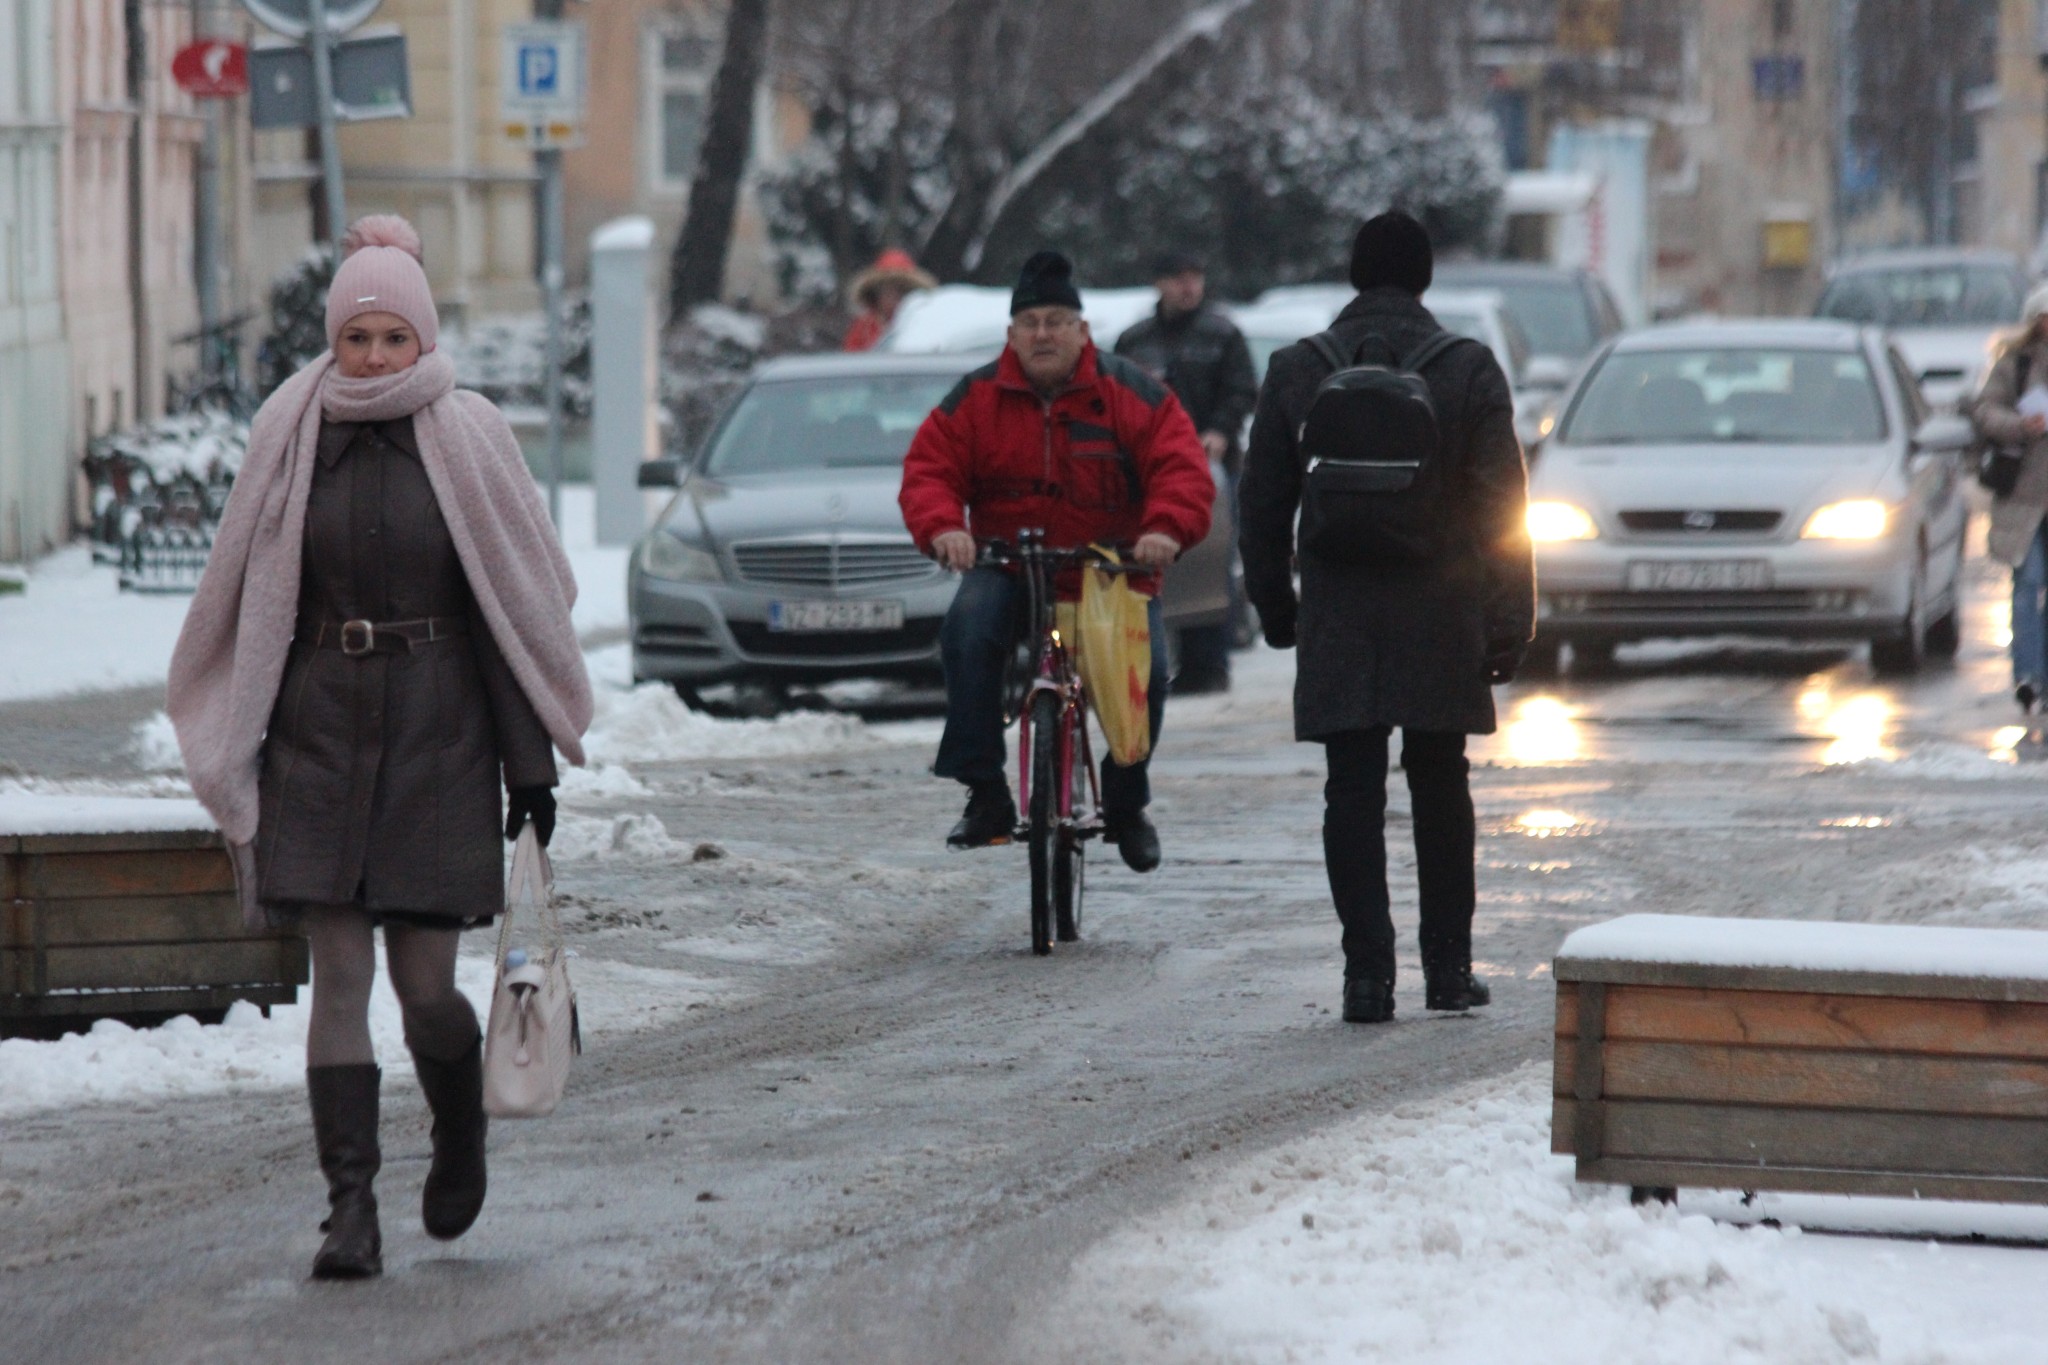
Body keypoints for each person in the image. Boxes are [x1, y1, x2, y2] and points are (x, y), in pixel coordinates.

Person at [167, 216, 593, 1280]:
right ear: (332, 341)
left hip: (439, 737)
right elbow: (253, 592)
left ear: (422, 339)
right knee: (340, 972)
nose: (370, 358)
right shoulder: (289, 430)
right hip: (316, 732)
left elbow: (505, 605)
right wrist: (242, 737)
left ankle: (458, 1129)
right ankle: (348, 1207)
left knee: (425, 987)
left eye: (390, 338)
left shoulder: (470, 435)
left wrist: (530, 771)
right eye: (354, 338)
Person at [1238, 211, 1533, 1024]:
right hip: (1442, 604)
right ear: (1426, 279)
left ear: (1354, 275)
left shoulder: (1299, 368)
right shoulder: (1468, 367)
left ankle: (1367, 977)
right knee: (1441, 783)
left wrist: (1276, 607)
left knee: (1351, 789)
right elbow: (1504, 505)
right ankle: (1448, 969)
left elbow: (1260, 504)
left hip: (1340, 607)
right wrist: (1512, 619)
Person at [899, 250, 1215, 872]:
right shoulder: (976, 399)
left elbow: (1182, 470)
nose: (1043, 334)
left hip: (1109, 573)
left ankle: (1126, 801)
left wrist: (1163, 529)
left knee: (1143, 679)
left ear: (1082, 331)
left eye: (1056, 321)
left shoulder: (1133, 394)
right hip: (1010, 567)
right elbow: (928, 472)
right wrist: (944, 530)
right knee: (966, 633)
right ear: (1012, 334)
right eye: (1031, 323)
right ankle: (985, 791)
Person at [1114, 251, 1260, 694]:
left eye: (1194, 277)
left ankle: (1208, 661)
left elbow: (1242, 389)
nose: (1188, 287)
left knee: (1208, 556)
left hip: (1210, 466)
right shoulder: (1135, 341)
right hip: (1149, 470)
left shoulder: (1222, 335)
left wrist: (1219, 430)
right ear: (1159, 283)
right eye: (1178, 278)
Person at [1972, 284, 2048, 713]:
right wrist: (2022, 425)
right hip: (2023, 500)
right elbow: (1985, 412)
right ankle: (2027, 678)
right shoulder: (2016, 366)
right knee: (2027, 585)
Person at [842, 248, 938, 352]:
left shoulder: (922, 324)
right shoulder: (862, 328)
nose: (893, 296)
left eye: (900, 290)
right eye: (886, 290)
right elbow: (850, 360)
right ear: (875, 293)